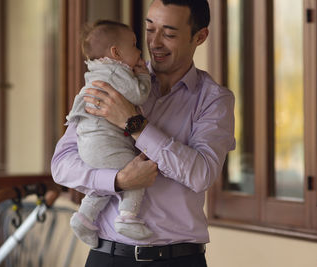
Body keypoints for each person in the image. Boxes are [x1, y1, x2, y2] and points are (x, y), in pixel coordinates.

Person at [51, 0, 235, 266]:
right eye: (150, 29)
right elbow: (62, 165)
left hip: (177, 259)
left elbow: (201, 174)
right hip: (107, 256)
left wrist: (134, 123)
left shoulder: (214, 100)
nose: (155, 43)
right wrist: (117, 181)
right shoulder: (111, 82)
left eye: (169, 33)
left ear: (200, 36)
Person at [67, 20, 153, 248]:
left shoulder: (96, 71)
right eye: (134, 45)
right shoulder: (116, 71)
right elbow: (138, 95)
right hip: (105, 144)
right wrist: (144, 77)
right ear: (116, 52)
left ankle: (84, 218)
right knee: (137, 174)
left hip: (88, 145)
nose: (139, 51)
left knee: (106, 182)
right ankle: (127, 217)